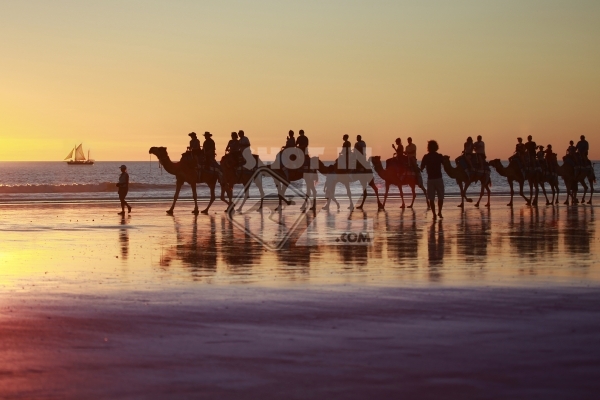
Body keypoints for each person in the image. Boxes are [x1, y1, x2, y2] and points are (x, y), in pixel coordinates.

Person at [420, 140, 444, 220]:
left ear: (428, 148)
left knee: (431, 198)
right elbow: (446, 166)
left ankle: (434, 214)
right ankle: (439, 212)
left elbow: (421, 168)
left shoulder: (426, 157)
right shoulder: (439, 156)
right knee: (440, 197)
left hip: (430, 179)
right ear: (436, 147)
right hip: (438, 178)